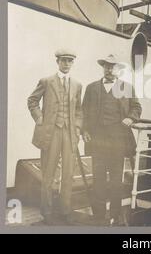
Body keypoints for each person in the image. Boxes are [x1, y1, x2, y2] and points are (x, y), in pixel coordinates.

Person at [82, 54, 142, 226]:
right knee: (98, 178)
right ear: (103, 68)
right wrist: (84, 130)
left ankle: (115, 215)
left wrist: (131, 118)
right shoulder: (91, 88)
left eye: (112, 66)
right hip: (97, 140)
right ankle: (99, 216)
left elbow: (137, 107)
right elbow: (84, 111)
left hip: (118, 139)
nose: (109, 69)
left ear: (118, 69)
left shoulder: (127, 87)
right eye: (106, 66)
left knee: (116, 179)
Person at [27, 49, 83, 225]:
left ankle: (65, 211)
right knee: (48, 174)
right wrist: (40, 118)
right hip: (51, 133)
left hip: (69, 134)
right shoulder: (46, 81)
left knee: (68, 174)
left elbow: (79, 110)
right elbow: (32, 101)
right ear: (57, 62)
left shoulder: (77, 85)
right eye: (64, 60)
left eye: (70, 61)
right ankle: (47, 213)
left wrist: (77, 127)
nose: (67, 64)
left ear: (73, 63)